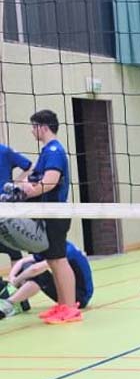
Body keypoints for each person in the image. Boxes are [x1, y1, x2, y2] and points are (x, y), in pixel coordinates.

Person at [15, 110, 78, 324]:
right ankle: (62, 305)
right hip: (47, 212)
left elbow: (50, 181)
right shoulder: (47, 151)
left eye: (34, 127)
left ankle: (70, 308)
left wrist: (28, 190)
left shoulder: (54, 151)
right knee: (52, 260)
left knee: (59, 260)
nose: (32, 131)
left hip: (56, 213)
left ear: (43, 126)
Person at [0, 240, 92, 319]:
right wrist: (11, 278)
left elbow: (35, 269)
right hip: (72, 292)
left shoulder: (64, 251)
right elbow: (23, 261)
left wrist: (15, 281)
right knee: (26, 266)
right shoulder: (57, 245)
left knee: (39, 275)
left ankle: (8, 303)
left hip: (79, 298)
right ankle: (17, 301)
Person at [0, 141, 33, 264]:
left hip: (4, 206)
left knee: (12, 248)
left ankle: (18, 280)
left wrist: (15, 183)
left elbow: (29, 166)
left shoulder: (4, 151)